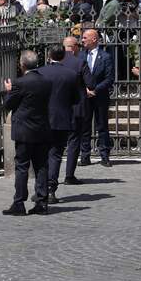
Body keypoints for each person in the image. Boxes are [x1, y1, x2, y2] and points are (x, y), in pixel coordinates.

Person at [2, 50, 52, 216]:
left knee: (22, 166)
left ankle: (19, 202)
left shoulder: (19, 83)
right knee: (41, 166)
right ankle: (42, 201)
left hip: (24, 131)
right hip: (42, 129)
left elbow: (9, 104)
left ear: (22, 64)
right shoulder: (46, 81)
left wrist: (9, 91)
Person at [41, 44, 81, 204]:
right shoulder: (71, 75)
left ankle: (41, 188)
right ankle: (51, 189)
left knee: (42, 155)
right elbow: (77, 99)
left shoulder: (41, 72)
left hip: (43, 119)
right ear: (63, 56)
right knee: (56, 155)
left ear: (49, 55)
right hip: (62, 118)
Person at [78, 28, 114, 167]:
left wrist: (95, 90)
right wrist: (85, 90)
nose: (82, 40)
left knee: (102, 126)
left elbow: (109, 78)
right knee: (84, 127)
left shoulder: (105, 57)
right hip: (84, 97)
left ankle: (104, 155)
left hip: (100, 97)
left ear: (94, 39)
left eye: (85, 37)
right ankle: (85, 155)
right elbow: (77, 75)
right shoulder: (81, 56)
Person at [60, 36, 93, 185]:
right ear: (73, 47)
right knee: (74, 142)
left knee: (56, 146)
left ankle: (51, 178)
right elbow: (91, 83)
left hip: (58, 108)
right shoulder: (80, 62)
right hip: (76, 108)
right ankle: (69, 175)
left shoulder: (55, 62)